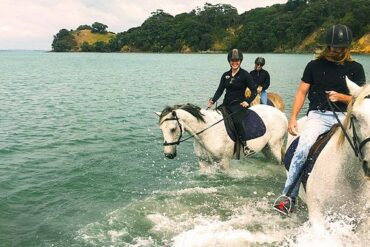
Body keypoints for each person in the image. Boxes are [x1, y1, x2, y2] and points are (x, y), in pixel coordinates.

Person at [273, 24, 366, 216]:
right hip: (318, 116)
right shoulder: (313, 66)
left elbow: (361, 99)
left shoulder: (356, 68)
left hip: (346, 117)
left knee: (365, 147)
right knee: (303, 148)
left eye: (339, 48)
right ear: (327, 46)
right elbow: (301, 92)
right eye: (332, 47)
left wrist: (341, 97)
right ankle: (288, 196)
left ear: (346, 48)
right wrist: (292, 118)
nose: (335, 50)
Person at [208, 49, 258, 154]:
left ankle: (245, 147)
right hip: (226, 104)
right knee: (214, 118)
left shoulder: (245, 75)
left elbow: (254, 91)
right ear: (229, 61)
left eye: (237, 60)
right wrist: (213, 100)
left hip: (239, 105)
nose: (235, 63)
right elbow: (220, 90)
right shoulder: (225, 75)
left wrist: (247, 101)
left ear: (240, 61)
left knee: (237, 121)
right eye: (232, 60)